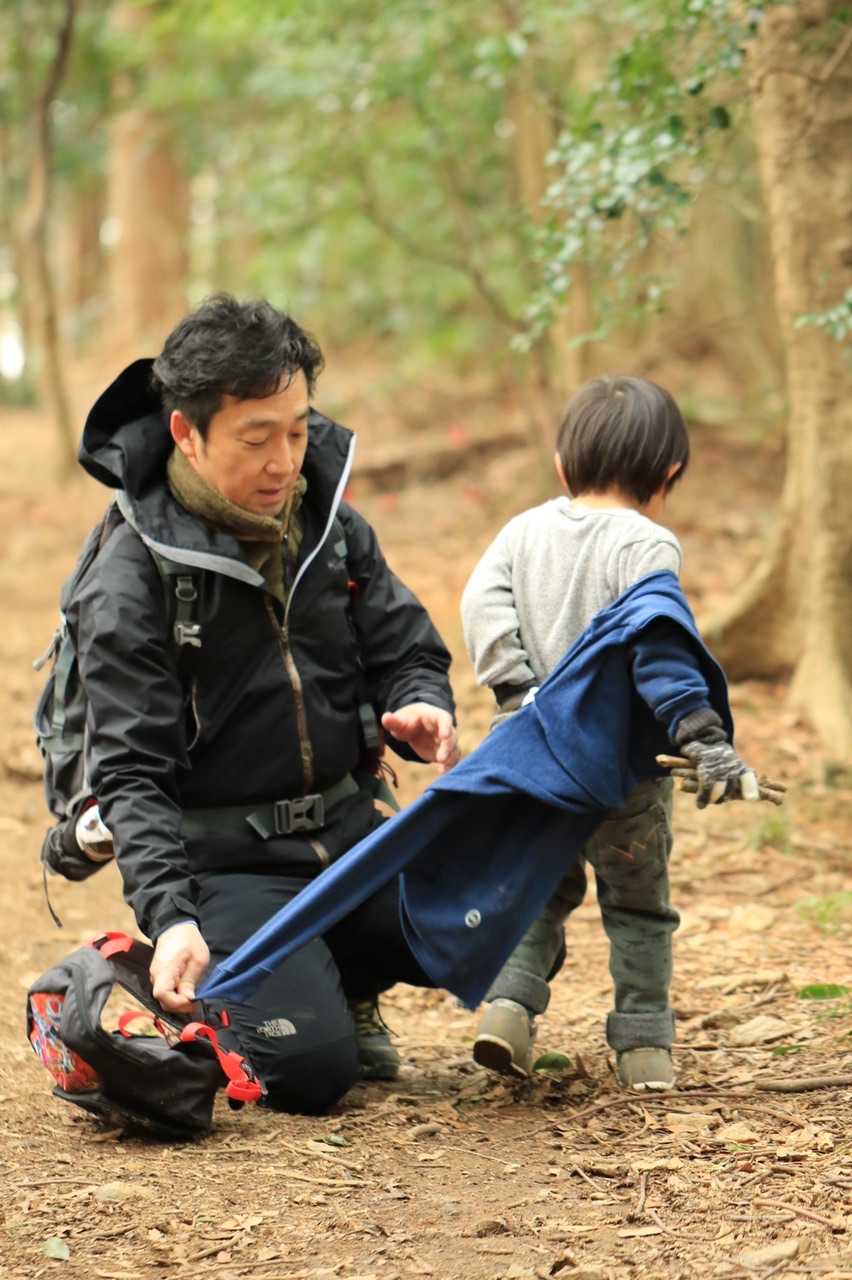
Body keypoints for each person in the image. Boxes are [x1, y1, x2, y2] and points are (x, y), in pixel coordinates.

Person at [68, 293, 459, 1113]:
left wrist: (420, 702)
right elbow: (132, 774)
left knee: (495, 912)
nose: (285, 461)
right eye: (256, 439)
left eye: (298, 431)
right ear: (187, 433)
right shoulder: (132, 577)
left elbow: (406, 644)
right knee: (314, 1073)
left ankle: (338, 977)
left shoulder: (328, 523)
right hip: (228, 862)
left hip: (349, 835)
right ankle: (219, 984)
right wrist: (172, 916)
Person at [461, 375, 759, 1092]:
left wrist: (517, 691)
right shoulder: (646, 543)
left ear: (562, 465)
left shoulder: (522, 532)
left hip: (533, 760)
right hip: (625, 773)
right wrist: (702, 734)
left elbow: (480, 604)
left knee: (538, 890)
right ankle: (645, 1046)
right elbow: (659, 646)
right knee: (638, 908)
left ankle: (507, 1010)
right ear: (669, 474)